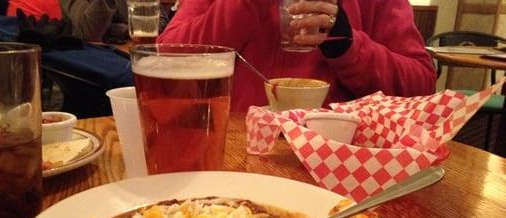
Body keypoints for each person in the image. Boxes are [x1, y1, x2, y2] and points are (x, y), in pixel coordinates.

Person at [158, 0, 436, 112]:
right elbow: (165, 62)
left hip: (340, 167)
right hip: (231, 156)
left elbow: (422, 87)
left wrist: (345, 42)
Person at [60, 0, 128, 42]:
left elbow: (133, 21)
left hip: (122, 51)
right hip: (85, 55)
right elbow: (89, 32)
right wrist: (120, 30)